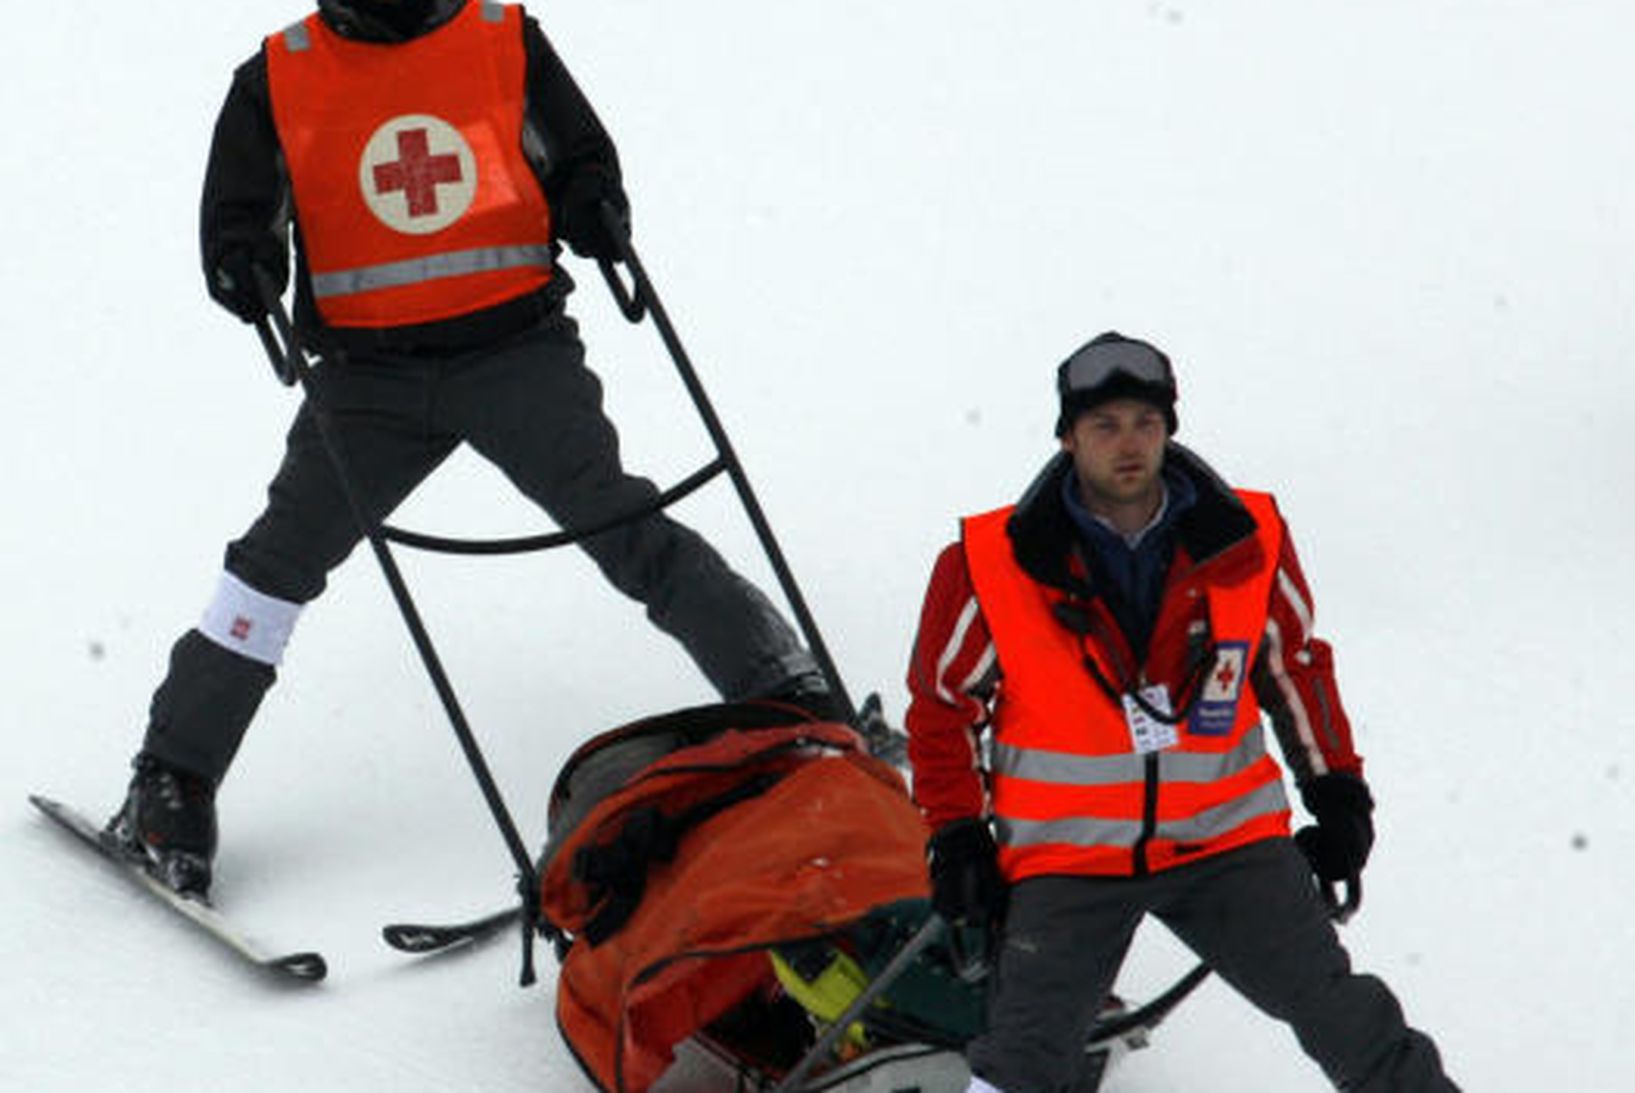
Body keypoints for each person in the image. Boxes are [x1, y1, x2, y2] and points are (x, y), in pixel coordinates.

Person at [105, 0, 835, 897]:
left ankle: (787, 694)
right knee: (272, 568)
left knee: (627, 526)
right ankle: (174, 775)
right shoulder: (276, 75)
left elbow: (580, 154)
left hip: (516, 357)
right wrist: (238, 261)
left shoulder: (501, 36)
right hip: (366, 385)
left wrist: (592, 201)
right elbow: (237, 213)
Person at [904, 332, 1459, 1092]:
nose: (1128, 444)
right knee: (1021, 1065)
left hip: (1227, 844)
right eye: (1104, 426)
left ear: (1169, 428)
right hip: (1069, 862)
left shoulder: (1249, 538)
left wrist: (1337, 793)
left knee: (1349, 1020)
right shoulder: (987, 561)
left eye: (1145, 422)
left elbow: (1295, 669)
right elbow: (943, 708)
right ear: (1068, 437)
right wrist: (958, 836)